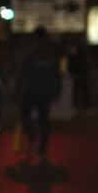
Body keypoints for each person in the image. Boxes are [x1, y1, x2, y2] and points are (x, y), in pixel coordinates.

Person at [16, 27, 63, 163]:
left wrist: (17, 90)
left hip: (31, 91)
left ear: (35, 38)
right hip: (45, 93)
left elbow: (21, 74)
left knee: (26, 117)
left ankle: (32, 141)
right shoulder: (52, 54)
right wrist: (57, 90)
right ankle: (42, 149)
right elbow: (57, 75)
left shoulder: (30, 53)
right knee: (44, 120)